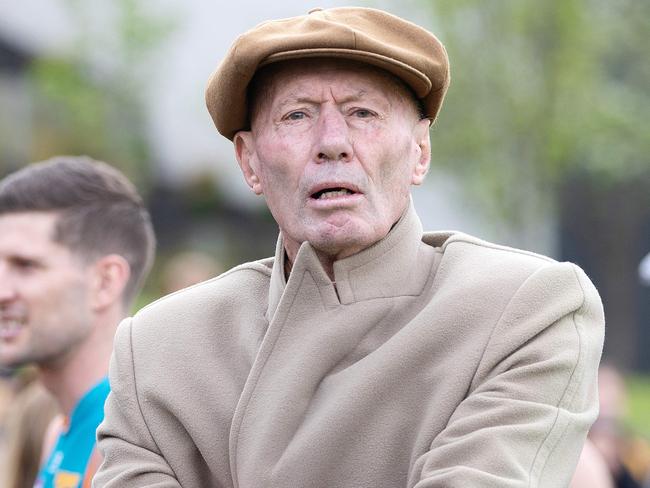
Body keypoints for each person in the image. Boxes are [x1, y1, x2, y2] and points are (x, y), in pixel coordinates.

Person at [94, 7, 605, 487]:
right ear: (249, 162)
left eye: (363, 113)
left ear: (420, 152)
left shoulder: (524, 311)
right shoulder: (160, 349)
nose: (332, 141)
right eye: (297, 116)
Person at [0, 156, 155, 488]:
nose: (2, 289)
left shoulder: (138, 440)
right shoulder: (60, 429)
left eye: (25, 265)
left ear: (105, 282)